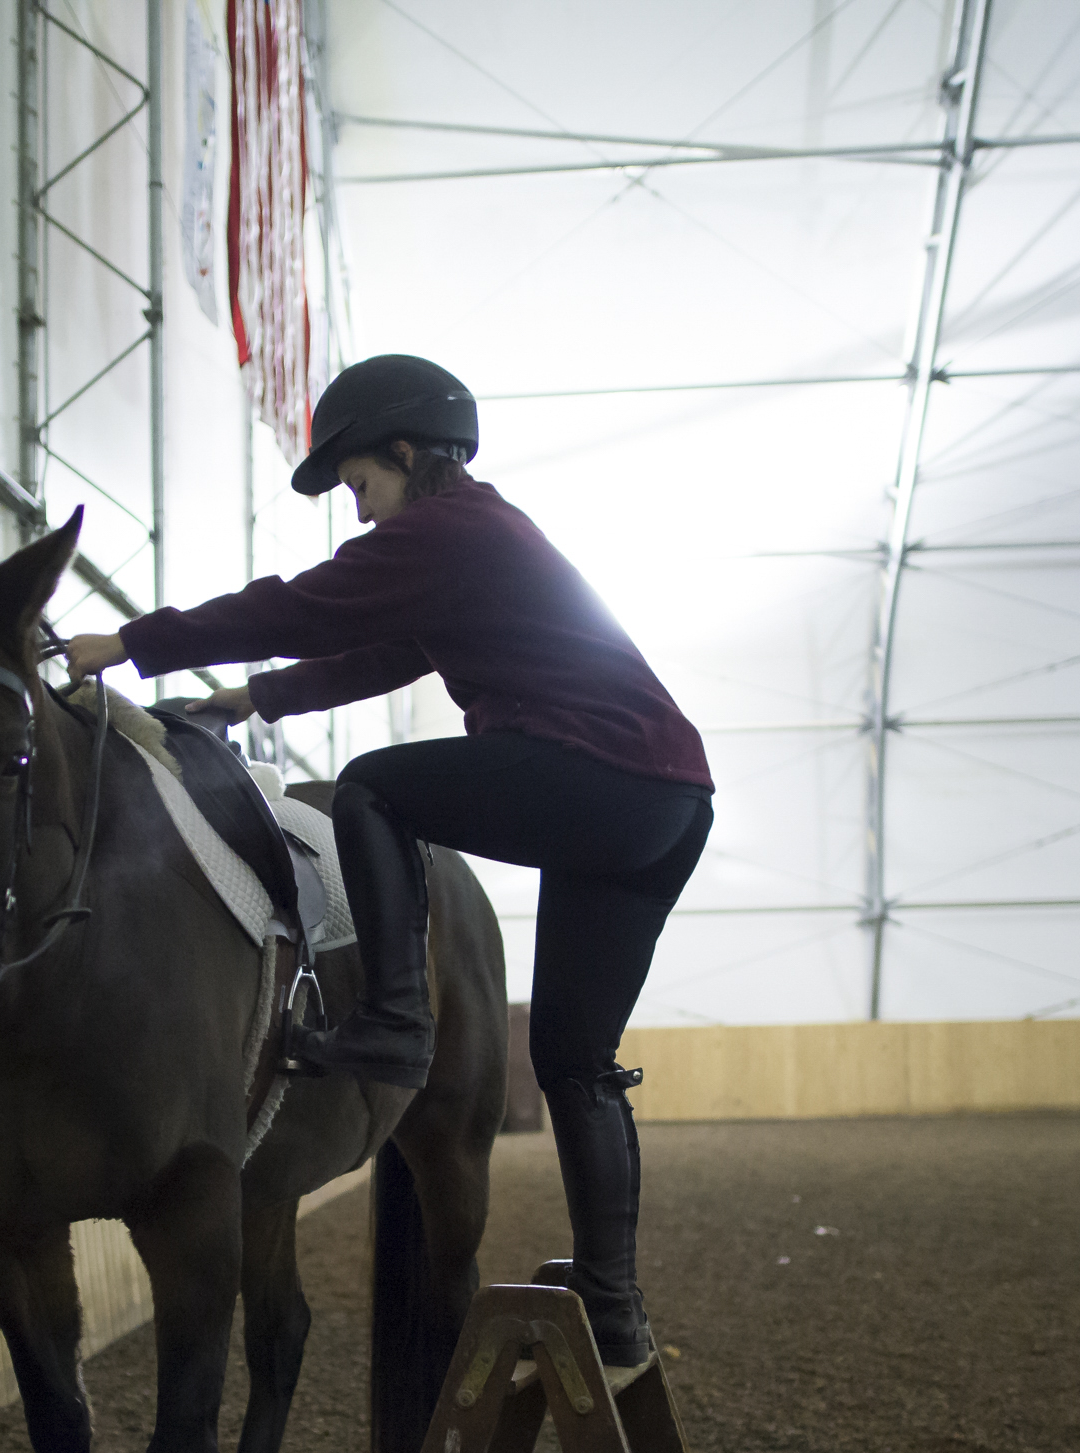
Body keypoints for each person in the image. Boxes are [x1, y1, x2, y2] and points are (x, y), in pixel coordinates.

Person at [58, 353, 713, 1368]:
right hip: (667, 801)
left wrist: (136, 643)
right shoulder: (477, 542)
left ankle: (397, 1017)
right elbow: (384, 653)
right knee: (578, 1063)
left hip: (600, 778)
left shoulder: (446, 529)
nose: (361, 513)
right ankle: (615, 1305)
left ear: (406, 454)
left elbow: (300, 603)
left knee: (373, 785)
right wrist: (256, 699)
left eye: (361, 485)